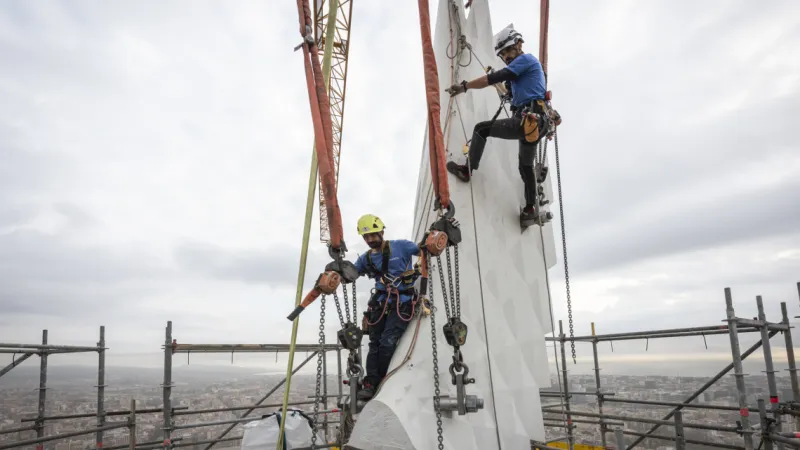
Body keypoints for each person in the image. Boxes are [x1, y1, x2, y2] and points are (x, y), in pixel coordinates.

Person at [446, 24, 551, 224]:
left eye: (508, 51)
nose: (507, 57)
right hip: (533, 122)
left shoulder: (526, 60)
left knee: (481, 129)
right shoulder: (519, 74)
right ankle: (530, 208)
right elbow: (508, 92)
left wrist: (464, 87)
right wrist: (502, 88)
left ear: (518, 44)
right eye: (503, 54)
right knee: (525, 166)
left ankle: (467, 170)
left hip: (529, 119)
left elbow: (497, 77)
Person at [353, 213, 421, 400]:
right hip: (381, 303)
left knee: (387, 342)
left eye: (373, 235)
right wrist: (335, 271)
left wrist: (422, 262)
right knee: (374, 344)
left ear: (382, 231)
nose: (369, 240)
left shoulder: (401, 247)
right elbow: (351, 273)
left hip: (402, 302)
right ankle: (371, 382)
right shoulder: (366, 259)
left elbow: (423, 251)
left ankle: (384, 379)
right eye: (366, 237)